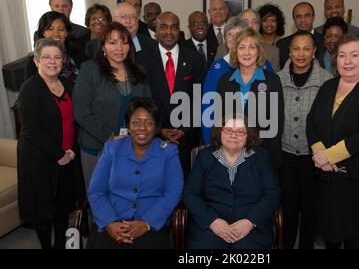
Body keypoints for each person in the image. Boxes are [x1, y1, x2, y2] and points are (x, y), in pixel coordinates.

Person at [306, 34, 359, 249]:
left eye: (354, 55)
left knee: (354, 236)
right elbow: (311, 122)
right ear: (335, 60)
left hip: (357, 179)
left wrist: (328, 156)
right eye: (342, 55)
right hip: (327, 177)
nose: (347, 61)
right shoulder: (328, 86)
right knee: (330, 232)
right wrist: (319, 153)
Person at [87, 97, 183, 249]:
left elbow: (173, 193)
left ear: (157, 127)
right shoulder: (112, 149)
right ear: (128, 126)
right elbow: (96, 191)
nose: (142, 128)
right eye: (136, 122)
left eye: (149, 122)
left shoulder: (169, 152)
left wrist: (146, 223)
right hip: (112, 222)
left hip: (151, 225)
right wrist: (110, 223)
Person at [17, 38, 85, 249]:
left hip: (66, 156)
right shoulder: (30, 89)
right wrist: (59, 154)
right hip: (40, 160)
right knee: (43, 210)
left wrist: (72, 150)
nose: (52, 61)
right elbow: (31, 130)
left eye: (57, 57)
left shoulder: (66, 84)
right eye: (46, 57)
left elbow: (75, 122)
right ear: (36, 61)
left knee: (63, 207)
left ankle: (61, 247)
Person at [73, 22, 151, 189]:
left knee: (127, 198)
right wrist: (110, 137)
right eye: (112, 42)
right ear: (103, 46)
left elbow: (148, 109)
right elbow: (81, 112)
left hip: (131, 147)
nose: (119, 48)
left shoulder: (139, 71)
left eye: (124, 42)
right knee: (100, 201)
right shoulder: (90, 70)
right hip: (97, 147)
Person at [183, 114, 280, 249]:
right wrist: (212, 221)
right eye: (228, 130)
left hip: (251, 231)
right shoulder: (205, 156)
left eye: (240, 131)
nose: (233, 135)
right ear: (220, 132)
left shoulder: (261, 156)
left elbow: (272, 194)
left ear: (248, 136)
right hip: (210, 229)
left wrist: (250, 222)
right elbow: (190, 193)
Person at [277, 30, 333, 249]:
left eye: (307, 49)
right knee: (288, 207)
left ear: (314, 51)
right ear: (289, 51)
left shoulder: (327, 81)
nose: (301, 54)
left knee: (311, 208)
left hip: (314, 157)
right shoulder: (277, 79)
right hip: (285, 154)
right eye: (296, 48)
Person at [140, 12, 205, 177]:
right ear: (156, 30)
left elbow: (199, 97)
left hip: (186, 135)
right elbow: (141, 100)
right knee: (154, 183)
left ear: (180, 31)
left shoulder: (194, 58)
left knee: (184, 182)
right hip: (152, 135)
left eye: (174, 27)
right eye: (164, 27)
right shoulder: (141, 58)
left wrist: (184, 128)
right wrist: (159, 128)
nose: (169, 32)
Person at [216, 28, 284, 169]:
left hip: (263, 157)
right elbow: (220, 122)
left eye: (252, 47)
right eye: (242, 47)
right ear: (235, 51)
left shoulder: (272, 80)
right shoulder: (224, 81)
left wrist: (260, 157)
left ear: (259, 51)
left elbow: (276, 126)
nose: (247, 52)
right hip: (230, 156)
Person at [26, 11, 88, 87]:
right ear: (43, 33)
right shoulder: (34, 61)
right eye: (50, 29)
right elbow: (30, 90)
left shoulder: (79, 55)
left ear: (66, 33)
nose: (56, 34)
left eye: (61, 29)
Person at [84, 2, 155, 65]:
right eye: (123, 17)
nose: (128, 21)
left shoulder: (152, 44)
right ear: (114, 20)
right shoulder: (92, 46)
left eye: (133, 17)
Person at [276, 2, 324, 69]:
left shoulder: (325, 42)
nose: (303, 20)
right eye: (298, 16)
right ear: (294, 19)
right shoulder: (282, 45)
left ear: (313, 17)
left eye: (307, 15)